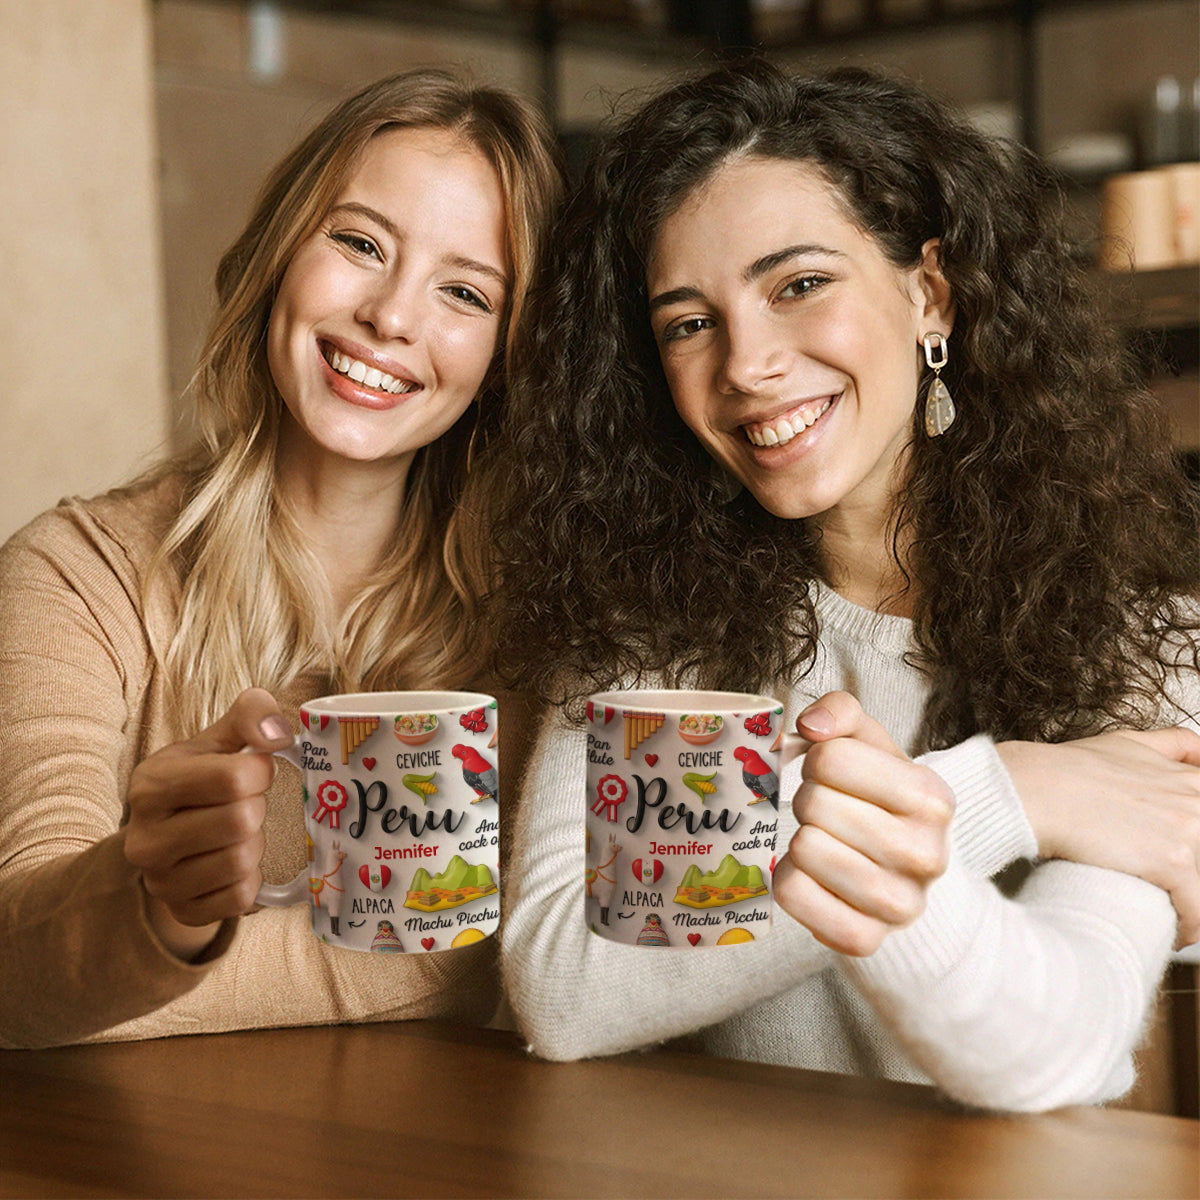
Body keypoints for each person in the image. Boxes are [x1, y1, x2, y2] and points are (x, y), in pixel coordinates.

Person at [488, 60, 1200, 1111]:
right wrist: (1005, 794)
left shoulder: (1144, 637)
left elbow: (1055, 1045)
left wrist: (913, 810)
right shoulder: (647, 632)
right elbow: (561, 988)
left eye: (799, 285)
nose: (746, 363)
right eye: (689, 322)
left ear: (930, 295)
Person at [0, 69, 563, 1048]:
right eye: (358, 244)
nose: (392, 316)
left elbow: (515, 951)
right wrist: (158, 910)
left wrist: (143, 974)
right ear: (277, 257)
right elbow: (18, 968)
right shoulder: (74, 575)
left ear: (508, 356)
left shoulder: (538, 623)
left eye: (465, 292)